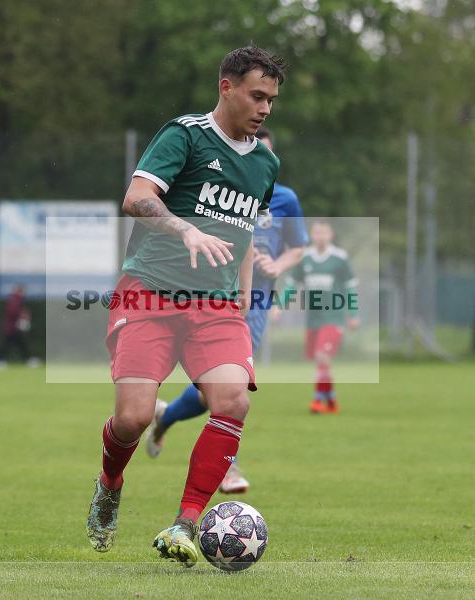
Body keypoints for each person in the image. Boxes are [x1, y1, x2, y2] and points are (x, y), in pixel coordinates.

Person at [85, 46, 286, 567]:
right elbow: (135, 197)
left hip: (215, 306)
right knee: (130, 420)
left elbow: (243, 234)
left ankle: (186, 522)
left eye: (271, 100)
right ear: (226, 86)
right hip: (148, 292)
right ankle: (110, 483)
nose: (264, 108)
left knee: (233, 400)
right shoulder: (186, 135)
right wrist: (185, 227)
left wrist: (242, 299)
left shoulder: (265, 164)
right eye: (256, 95)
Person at [145, 126, 308, 495]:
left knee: (220, 391)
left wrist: (277, 267)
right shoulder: (218, 190)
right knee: (223, 391)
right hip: (211, 295)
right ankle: (227, 467)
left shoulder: (285, 200)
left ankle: (165, 417)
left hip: (255, 302)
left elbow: (297, 247)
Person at [284, 220, 360, 414]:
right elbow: (292, 283)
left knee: (322, 356)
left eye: (324, 233)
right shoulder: (305, 258)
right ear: (311, 235)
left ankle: (318, 401)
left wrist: (353, 314)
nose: (320, 236)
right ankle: (331, 399)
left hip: (333, 317)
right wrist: (280, 305)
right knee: (320, 361)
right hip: (313, 320)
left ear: (331, 234)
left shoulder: (339, 258)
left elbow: (351, 287)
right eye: (317, 233)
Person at [0, 285, 35, 366]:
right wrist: (22, 315)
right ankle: (0, 361)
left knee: (21, 344)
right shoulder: (15, 299)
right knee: (7, 344)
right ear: (19, 291)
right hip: (11, 327)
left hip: (14, 327)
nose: (24, 294)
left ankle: (29, 359)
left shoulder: (17, 299)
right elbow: (12, 312)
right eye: (23, 291)